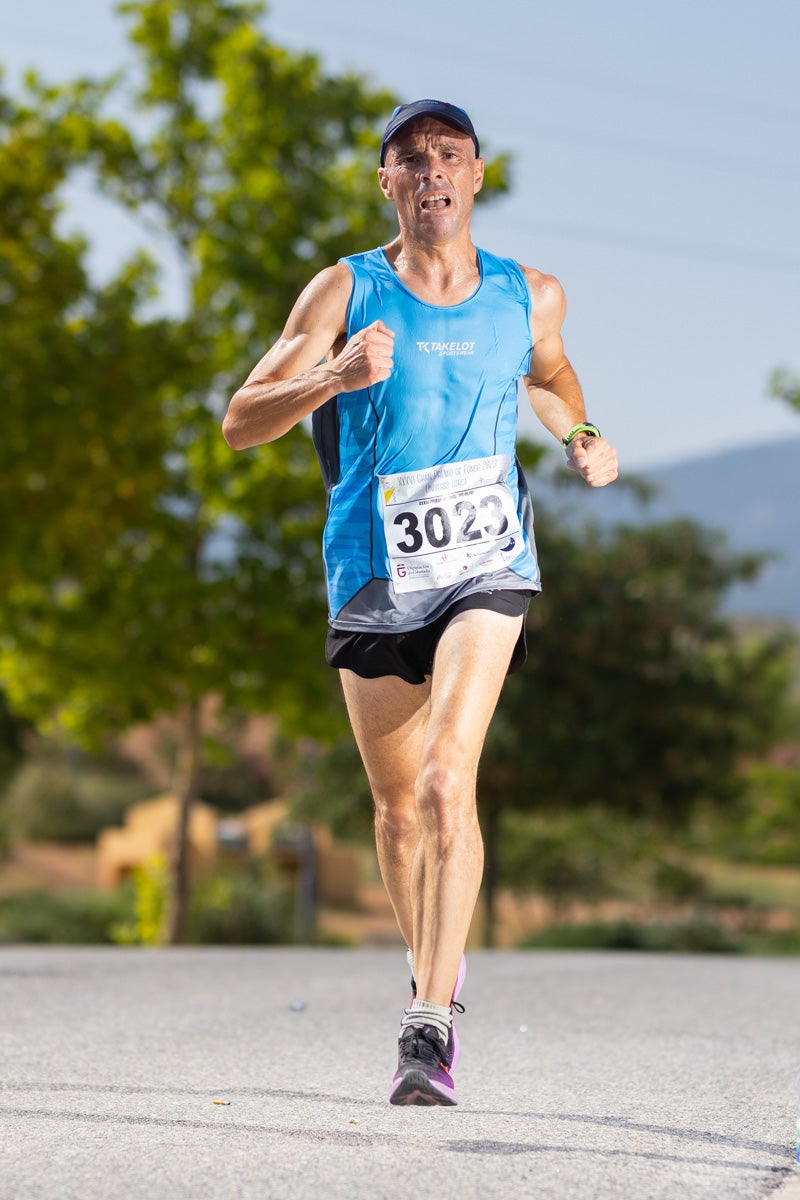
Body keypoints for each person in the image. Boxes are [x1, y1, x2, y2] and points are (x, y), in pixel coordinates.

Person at [222, 98, 619, 1107]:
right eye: (410, 159)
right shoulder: (343, 290)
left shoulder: (526, 294)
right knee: (397, 814)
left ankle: (428, 1027)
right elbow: (239, 420)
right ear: (386, 183)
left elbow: (552, 373)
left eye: (448, 156)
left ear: (477, 176)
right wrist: (330, 376)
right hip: (369, 566)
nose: (430, 172)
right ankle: (432, 966)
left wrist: (577, 432)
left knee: (448, 782)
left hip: (486, 559)